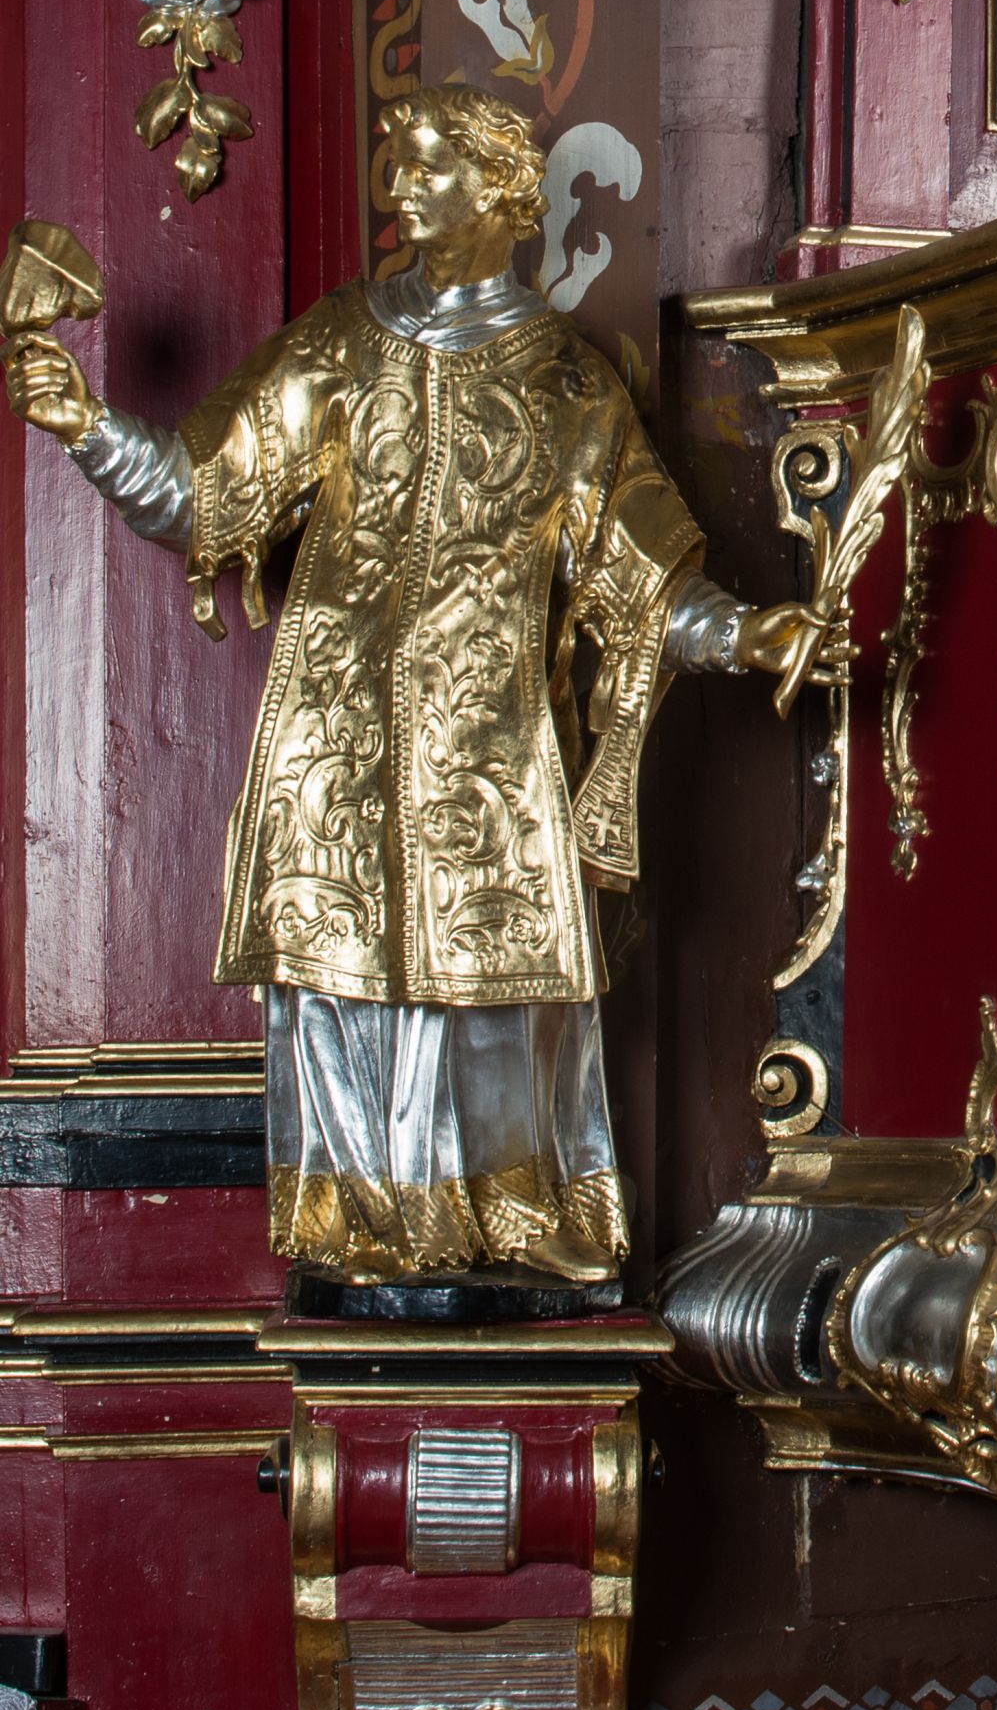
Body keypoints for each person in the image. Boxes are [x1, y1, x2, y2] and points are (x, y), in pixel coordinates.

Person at [5, 82, 809, 1292]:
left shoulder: (566, 383)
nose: (401, 188)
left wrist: (748, 631)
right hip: (336, 738)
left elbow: (639, 579)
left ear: (502, 190)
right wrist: (88, 428)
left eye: (431, 166)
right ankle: (363, 1213)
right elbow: (207, 492)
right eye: (397, 164)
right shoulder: (340, 340)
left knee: (495, 984)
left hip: (494, 747)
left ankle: (512, 1209)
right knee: (341, 972)